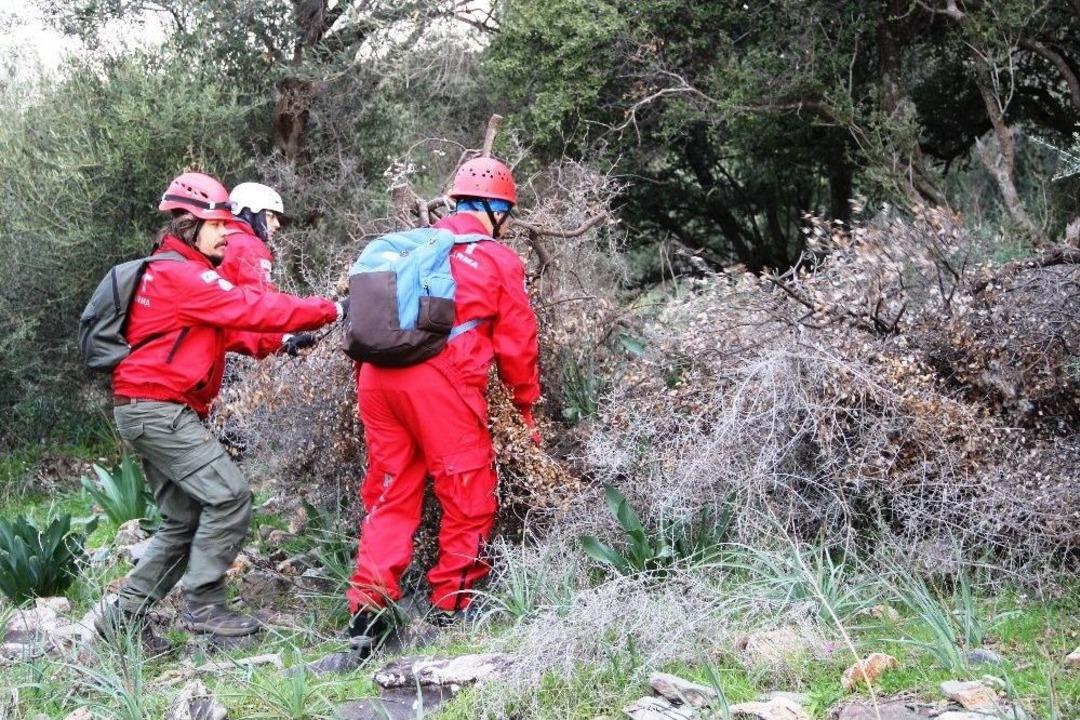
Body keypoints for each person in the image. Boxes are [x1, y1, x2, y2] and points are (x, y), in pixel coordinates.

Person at [96, 171, 348, 651]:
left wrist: (284, 342)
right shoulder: (181, 275)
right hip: (159, 410)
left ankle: (121, 622)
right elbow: (251, 306)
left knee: (182, 521)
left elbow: (232, 331)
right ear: (192, 224)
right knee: (230, 496)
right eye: (218, 225)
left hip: (149, 407)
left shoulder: (175, 275)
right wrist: (330, 309)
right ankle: (205, 604)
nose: (228, 233)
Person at [345, 157, 540, 645]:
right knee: (468, 493)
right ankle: (452, 606)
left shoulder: (417, 245)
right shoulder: (496, 258)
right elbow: (519, 344)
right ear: (497, 210)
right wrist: (524, 406)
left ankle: (366, 614)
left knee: (390, 494)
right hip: (438, 383)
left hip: (376, 378)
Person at [219, 182, 314, 356]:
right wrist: (283, 338)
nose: (277, 224)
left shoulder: (222, 240)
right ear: (249, 213)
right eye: (270, 216)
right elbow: (263, 306)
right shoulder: (248, 245)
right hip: (230, 350)